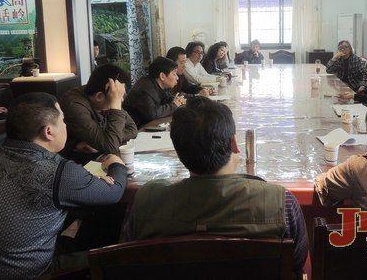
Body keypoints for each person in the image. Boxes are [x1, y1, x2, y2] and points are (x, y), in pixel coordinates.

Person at [123, 97, 308, 279]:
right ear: (234, 143)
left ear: (178, 152)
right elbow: (297, 265)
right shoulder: (282, 203)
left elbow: (125, 263)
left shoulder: (145, 202)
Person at [0, 92, 127, 279]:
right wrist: (116, 164)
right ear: (48, 132)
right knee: (116, 254)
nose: (65, 126)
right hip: (34, 273)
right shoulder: (57, 171)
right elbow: (114, 192)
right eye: (63, 121)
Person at [60, 64, 138, 162]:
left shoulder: (108, 94)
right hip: (75, 161)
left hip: (100, 155)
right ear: (99, 96)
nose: (121, 100)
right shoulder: (74, 104)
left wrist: (103, 139)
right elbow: (111, 146)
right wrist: (106, 140)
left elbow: (132, 129)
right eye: (120, 96)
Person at [123, 57, 186, 128]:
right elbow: (152, 114)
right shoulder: (144, 88)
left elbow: (167, 100)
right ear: (162, 76)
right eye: (174, 74)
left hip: (147, 127)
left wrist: (178, 101)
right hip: (135, 130)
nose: (177, 78)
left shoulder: (158, 85)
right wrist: (174, 105)